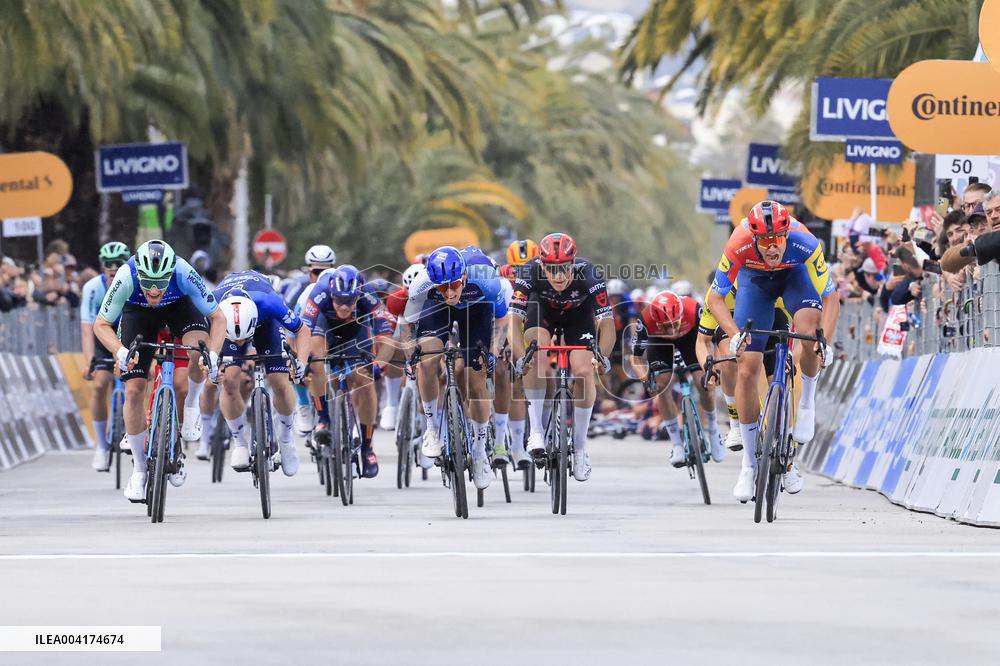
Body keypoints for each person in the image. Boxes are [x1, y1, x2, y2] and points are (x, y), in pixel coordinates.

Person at [706, 201, 838, 502]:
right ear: (753, 238)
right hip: (755, 285)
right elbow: (715, 299)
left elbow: (831, 298)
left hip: (795, 278)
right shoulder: (737, 243)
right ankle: (749, 466)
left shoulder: (804, 241)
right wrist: (734, 335)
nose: (771, 247)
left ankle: (806, 403)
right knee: (747, 368)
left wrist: (824, 341)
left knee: (808, 330)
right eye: (764, 241)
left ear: (786, 235)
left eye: (777, 240)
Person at [93, 240, 226, 502]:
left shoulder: (184, 272)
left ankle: (190, 407)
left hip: (179, 309)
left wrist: (212, 354)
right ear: (139, 274)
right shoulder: (126, 276)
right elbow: (101, 324)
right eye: (148, 284)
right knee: (133, 391)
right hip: (138, 313)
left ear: (170, 274)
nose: (154, 291)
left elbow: (218, 317)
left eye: (160, 284)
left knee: (198, 351)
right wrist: (121, 352)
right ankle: (140, 471)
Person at [509, 232, 615, 482]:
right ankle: (535, 430)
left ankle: (579, 449)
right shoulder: (528, 272)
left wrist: (603, 357)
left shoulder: (589, 274)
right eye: (551, 269)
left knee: (585, 370)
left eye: (564, 268)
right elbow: (514, 322)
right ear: (541, 265)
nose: (558, 276)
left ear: (573, 264)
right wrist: (521, 357)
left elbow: (607, 324)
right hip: (541, 311)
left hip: (579, 316)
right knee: (535, 355)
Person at [407, 246, 507, 490]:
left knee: (476, 378)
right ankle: (431, 429)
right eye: (442, 287)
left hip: (477, 309)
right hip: (436, 310)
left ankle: (481, 451)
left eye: (453, 285)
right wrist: (411, 354)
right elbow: (407, 324)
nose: (450, 292)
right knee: (427, 361)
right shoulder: (422, 285)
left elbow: (502, 319)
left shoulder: (486, 280)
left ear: (464, 277)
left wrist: (493, 350)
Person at [210, 270, 310, 474]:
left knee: (280, 382)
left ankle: (286, 439)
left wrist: (300, 362)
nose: (241, 343)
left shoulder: (269, 301)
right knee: (228, 382)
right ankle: (239, 442)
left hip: (266, 325)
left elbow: (302, 330)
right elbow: (204, 345)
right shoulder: (212, 306)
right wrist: (211, 365)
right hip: (226, 328)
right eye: (237, 340)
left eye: (242, 339)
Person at [303, 264, 394, 479]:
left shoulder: (368, 296)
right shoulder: (319, 293)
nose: (344, 307)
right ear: (331, 294)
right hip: (324, 328)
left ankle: (367, 448)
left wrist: (378, 365)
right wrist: (302, 362)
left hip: (356, 331)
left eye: (350, 302)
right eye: (339, 301)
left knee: (364, 378)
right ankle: (324, 418)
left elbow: (386, 338)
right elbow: (302, 332)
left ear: (358, 296)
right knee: (315, 362)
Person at [629, 290, 726, 466]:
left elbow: (716, 340)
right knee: (661, 385)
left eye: (675, 324)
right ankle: (676, 444)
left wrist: (716, 368)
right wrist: (645, 380)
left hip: (691, 338)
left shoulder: (694, 308)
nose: (672, 331)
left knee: (703, 382)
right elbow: (635, 358)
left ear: (681, 313)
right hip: (659, 342)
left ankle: (713, 430)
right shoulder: (645, 320)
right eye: (666, 326)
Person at [80, 241, 131, 471]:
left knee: (137, 383)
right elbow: (87, 326)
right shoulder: (92, 288)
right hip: (102, 336)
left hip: (128, 334)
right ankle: (101, 445)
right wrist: (89, 359)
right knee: (100, 385)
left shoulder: (131, 282)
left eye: (118, 263)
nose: (113, 267)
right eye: (108, 264)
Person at [291, 245, 337, 437]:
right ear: (308, 271)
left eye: (324, 271)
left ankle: (348, 417)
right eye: (316, 271)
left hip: (338, 329)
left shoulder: (340, 282)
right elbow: (292, 327)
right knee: (300, 359)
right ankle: (303, 404)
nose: (320, 276)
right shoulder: (302, 289)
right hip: (309, 325)